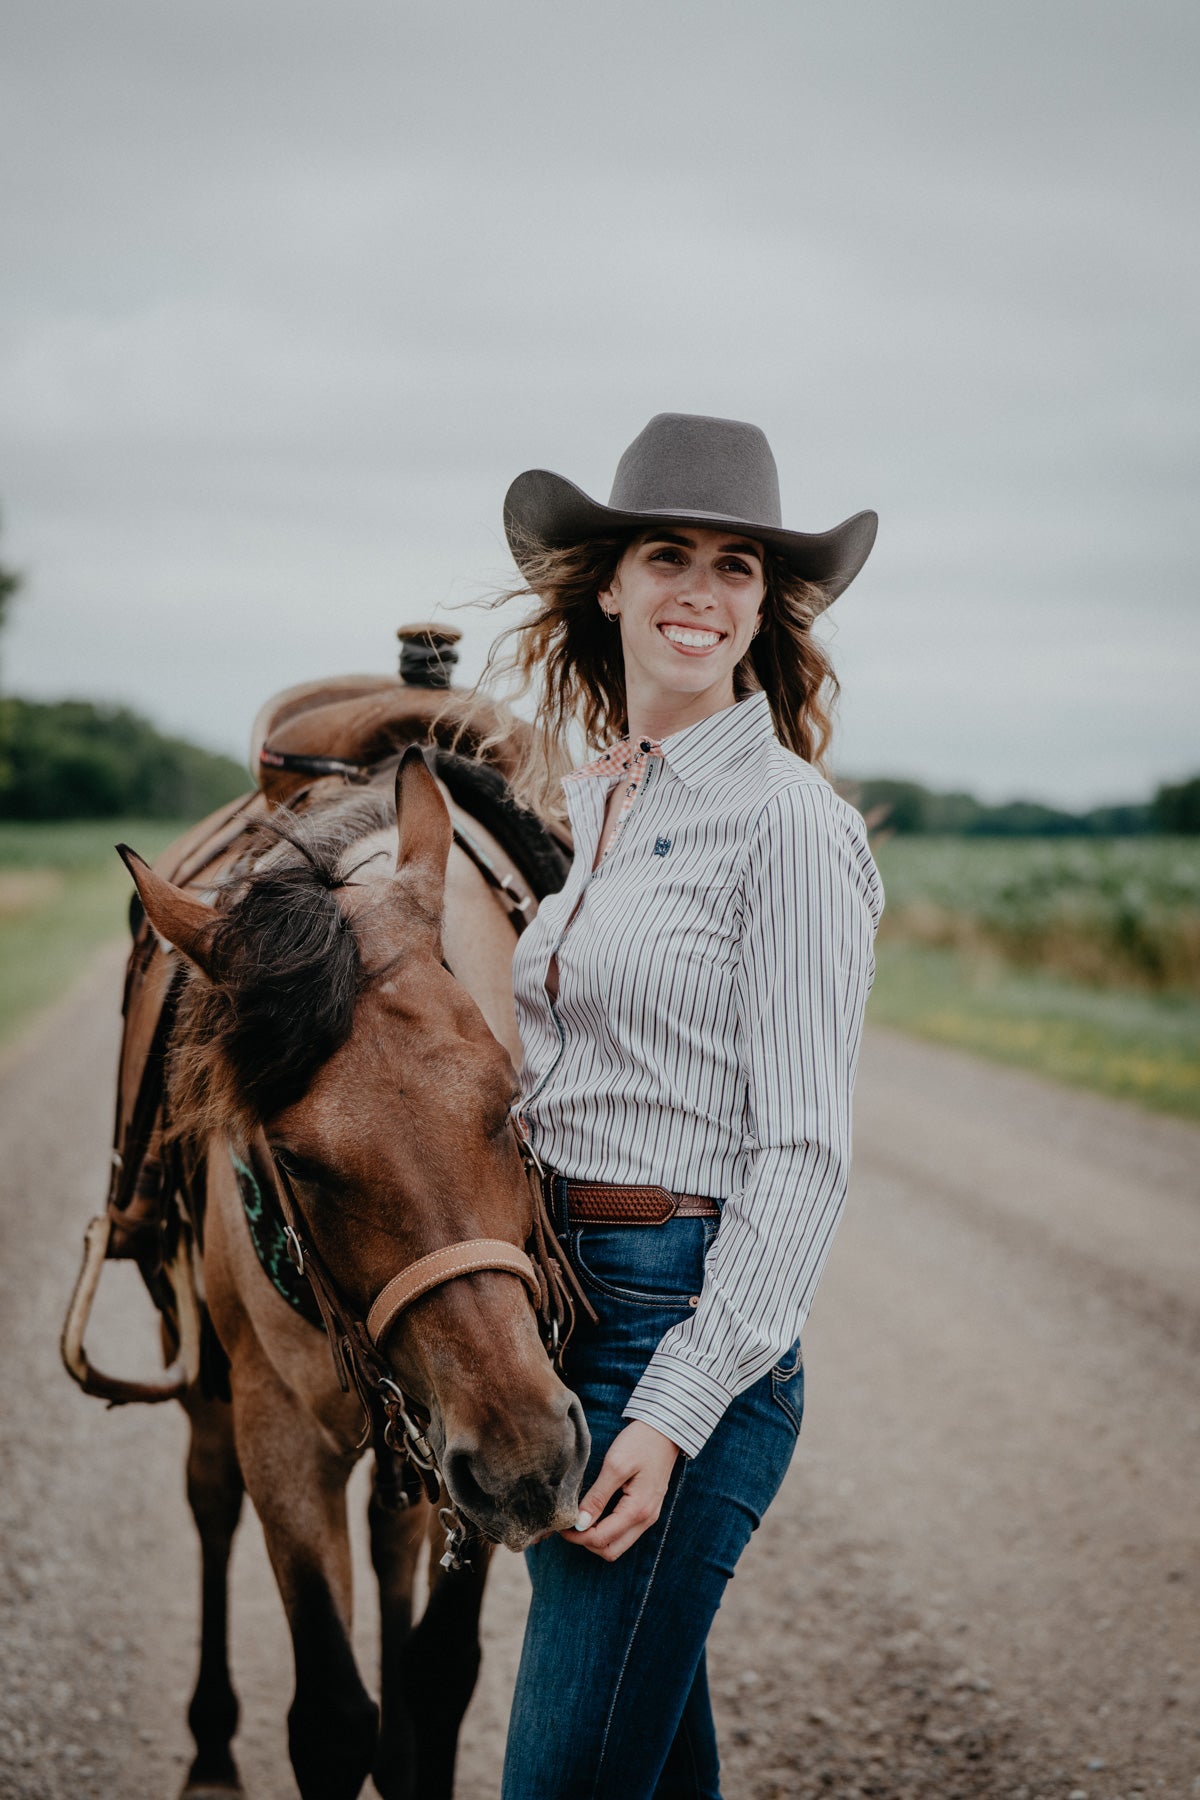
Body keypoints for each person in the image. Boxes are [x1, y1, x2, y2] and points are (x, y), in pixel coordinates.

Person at [493, 412, 884, 1799]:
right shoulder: (596, 802)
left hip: (676, 1331)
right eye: (668, 554)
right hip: (558, 1312)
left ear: (763, 607)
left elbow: (804, 1153)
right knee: (646, 1765)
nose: (701, 591)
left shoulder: (788, 822)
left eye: (736, 566)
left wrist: (670, 1413)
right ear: (609, 584)